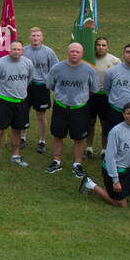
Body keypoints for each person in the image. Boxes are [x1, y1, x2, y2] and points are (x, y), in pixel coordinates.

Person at [44, 42, 99, 177]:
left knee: (79, 138)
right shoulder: (57, 68)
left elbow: (94, 88)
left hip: (80, 109)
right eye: (72, 51)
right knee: (58, 134)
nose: (74, 54)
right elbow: (50, 85)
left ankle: (77, 164)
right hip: (61, 107)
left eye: (77, 52)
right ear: (67, 52)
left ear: (82, 53)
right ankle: (56, 161)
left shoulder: (89, 70)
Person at [0, 40, 34, 169]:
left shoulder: (28, 63)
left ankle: (16, 155)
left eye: (19, 49)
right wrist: (0, 93)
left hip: (21, 103)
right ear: (9, 49)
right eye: (14, 49)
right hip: (4, 102)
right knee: (0, 129)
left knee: (17, 129)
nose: (16, 51)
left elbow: (29, 79)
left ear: (22, 51)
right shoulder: (0, 64)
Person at [20, 27, 59, 154]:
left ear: (42, 37)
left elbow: (55, 70)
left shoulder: (49, 52)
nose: (35, 38)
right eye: (33, 35)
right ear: (29, 37)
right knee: (23, 112)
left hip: (42, 86)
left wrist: (51, 84)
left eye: (37, 36)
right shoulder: (24, 51)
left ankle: (42, 141)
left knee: (41, 115)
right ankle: (22, 137)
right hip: (26, 86)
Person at [85, 36, 123, 157]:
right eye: (98, 45)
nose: (100, 47)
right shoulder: (88, 59)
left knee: (105, 123)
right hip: (90, 96)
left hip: (106, 97)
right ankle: (89, 148)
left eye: (103, 45)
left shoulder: (115, 61)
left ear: (108, 47)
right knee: (90, 122)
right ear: (95, 46)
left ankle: (105, 150)